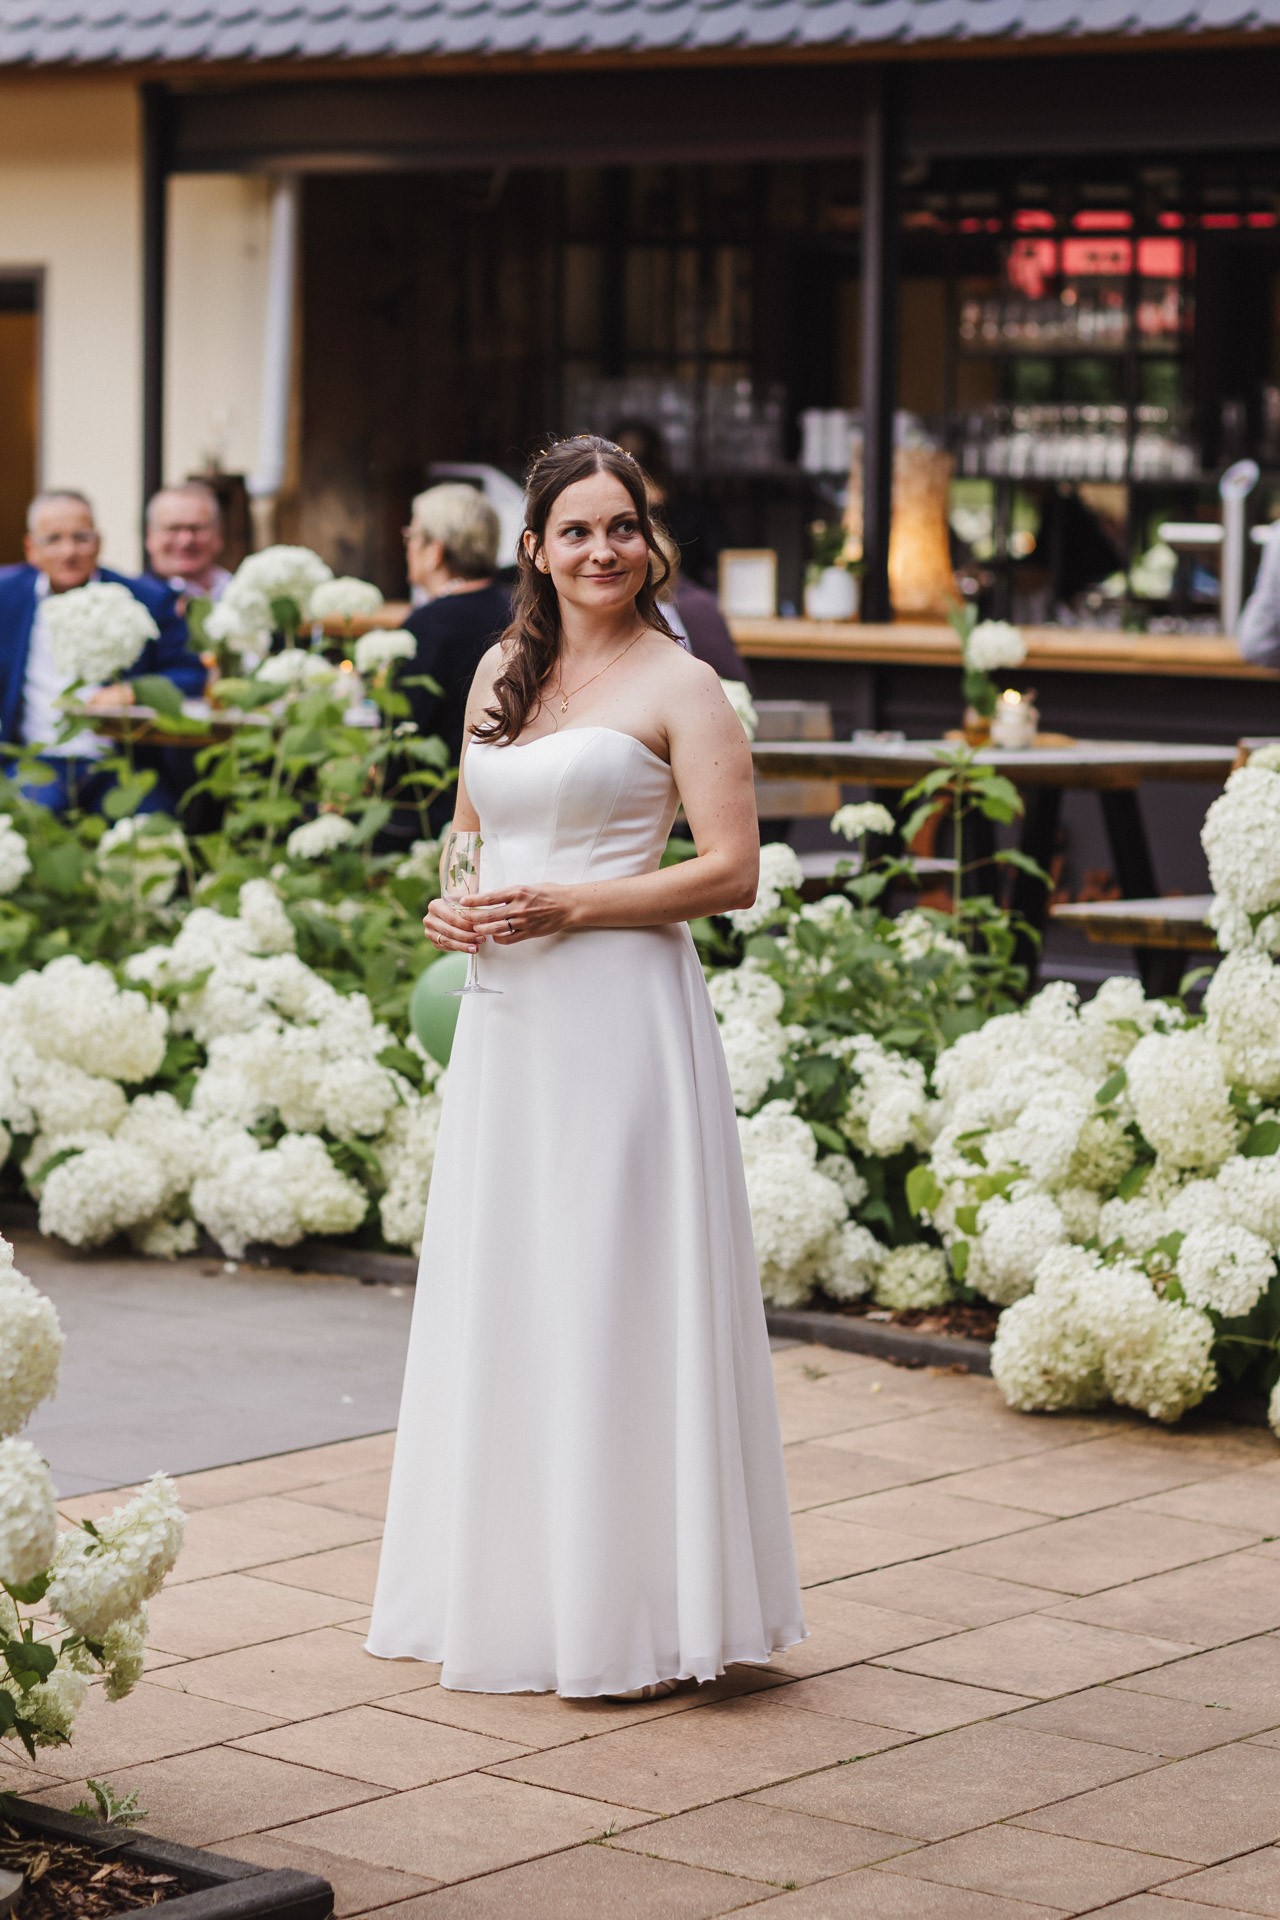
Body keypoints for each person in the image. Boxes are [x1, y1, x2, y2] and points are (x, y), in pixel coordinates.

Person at [367, 435, 804, 1699]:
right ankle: (511, 1592)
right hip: (507, 1019)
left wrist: (573, 903)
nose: (602, 549)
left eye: (623, 527)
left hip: (620, 1017)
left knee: (612, 1290)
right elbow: (468, 831)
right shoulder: (502, 668)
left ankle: (638, 1612)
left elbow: (730, 871)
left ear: (647, 541)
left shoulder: (684, 682)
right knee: (512, 1283)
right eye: (577, 530)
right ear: (535, 548)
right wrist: (453, 904)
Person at [0, 490, 203, 813]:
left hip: (121, 763)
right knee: (28, 823)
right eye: (53, 539)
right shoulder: (6, 596)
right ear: (31, 549)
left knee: (152, 830)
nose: (69, 551)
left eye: (81, 538)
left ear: (98, 542)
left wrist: (133, 691)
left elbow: (191, 673)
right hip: (37, 761)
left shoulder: (147, 598)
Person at [399, 482, 511, 835]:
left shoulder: (428, 625)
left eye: (411, 536)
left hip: (429, 810)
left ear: (435, 551)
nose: (407, 546)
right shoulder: (514, 609)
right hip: (498, 800)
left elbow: (403, 728)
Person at [144, 482, 232, 606]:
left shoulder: (242, 591)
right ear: (150, 536)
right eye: (173, 528)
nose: (186, 540)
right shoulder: (132, 602)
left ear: (218, 534)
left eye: (196, 528)